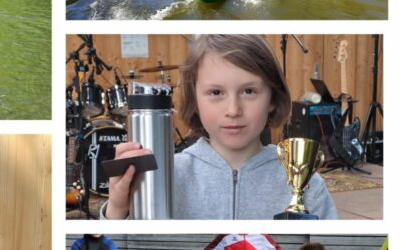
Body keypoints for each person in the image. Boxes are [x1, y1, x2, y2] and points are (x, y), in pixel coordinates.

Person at [104, 34, 337, 219]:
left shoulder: (307, 184)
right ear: (194, 100)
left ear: (273, 99)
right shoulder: (164, 177)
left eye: (249, 91)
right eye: (216, 92)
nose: (233, 110)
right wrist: (118, 209)